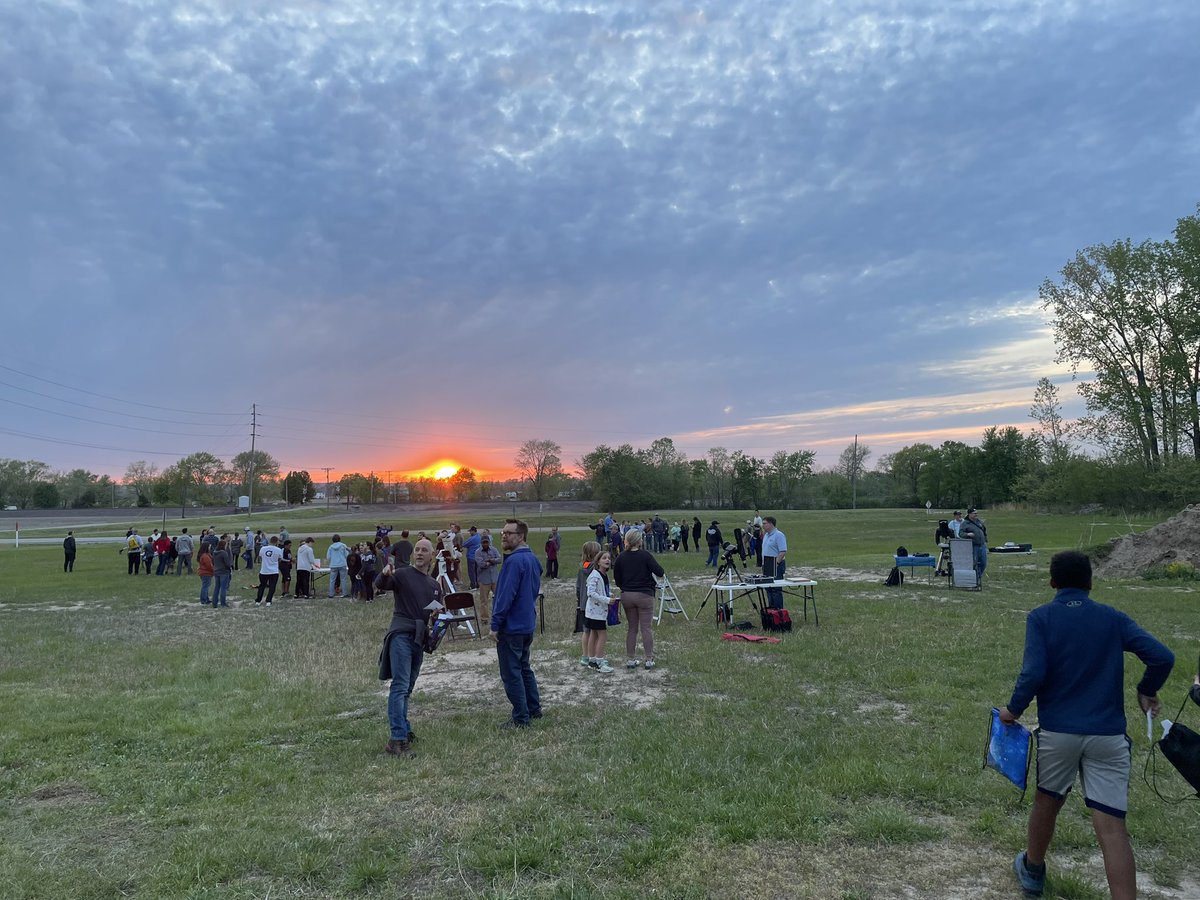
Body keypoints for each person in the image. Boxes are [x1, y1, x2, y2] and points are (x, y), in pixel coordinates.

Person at [1000, 551, 1174, 900]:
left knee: (1046, 802)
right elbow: (1163, 656)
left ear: (1052, 582)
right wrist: (1146, 690)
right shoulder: (1112, 618)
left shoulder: (1041, 617)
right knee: (1112, 829)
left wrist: (1013, 710)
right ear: (1091, 583)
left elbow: (1034, 672)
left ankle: (1033, 871)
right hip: (1108, 736)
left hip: (1059, 733)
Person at [376, 538, 442, 756]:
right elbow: (382, 584)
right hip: (401, 636)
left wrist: (435, 618)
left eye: (425, 550)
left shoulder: (434, 586)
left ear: (432, 555)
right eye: (417, 550)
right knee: (400, 686)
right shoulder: (402, 574)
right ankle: (397, 740)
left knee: (408, 688)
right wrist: (385, 573)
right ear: (413, 554)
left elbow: (434, 613)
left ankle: (404, 729)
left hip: (418, 640)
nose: (420, 553)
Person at [491, 519, 543, 728]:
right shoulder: (532, 558)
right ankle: (534, 708)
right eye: (503, 532)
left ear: (520, 536)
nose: (503, 535)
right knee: (524, 667)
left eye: (509, 533)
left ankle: (521, 718)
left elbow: (505, 596)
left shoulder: (513, 561)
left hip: (512, 626)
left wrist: (495, 624)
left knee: (511, 672)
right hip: (527, 623)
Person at [613, 527, 664, 670]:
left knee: (632, 628)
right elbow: (660, 571)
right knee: (646, 628)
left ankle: (630, 658)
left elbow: (617, 579)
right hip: (645, 594)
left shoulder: (621, 557)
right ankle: (648, 659)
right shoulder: (645, 556)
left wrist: (625, 586)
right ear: (639, 541)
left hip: (627, 595)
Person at [583, 549, 616, 673]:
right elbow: (591, 593)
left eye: (609, 558)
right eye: (604, 558)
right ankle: (599, 660)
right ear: (598, 562)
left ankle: (592, 661)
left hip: (599, 611)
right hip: (595, 612)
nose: (607, 560)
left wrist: (610, 595)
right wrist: (606, 600)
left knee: (594, 634)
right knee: (602, 635)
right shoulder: (595, 575)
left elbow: (602, 590)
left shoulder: (604, 575)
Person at [574, 540, 602, 664]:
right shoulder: (595, 570)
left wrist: (580, 600)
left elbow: (578, 587)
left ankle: (585, 655)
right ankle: (594, 655)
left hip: (583, 604)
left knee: (586, 631)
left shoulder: (582, 567)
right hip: (594, 604)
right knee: (595, 632)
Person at [760, 516, 788, 609]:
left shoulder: (779, 535)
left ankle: (779, 611)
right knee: (768, 588)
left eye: (764, 523)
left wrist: (776, 564)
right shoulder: (766, 535)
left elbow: (783, 551)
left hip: (776, 565)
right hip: (766, 566)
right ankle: (771, 611)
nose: (762, 525)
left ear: (771, 524)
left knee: (776, 589)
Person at [475, 532, 501, 626]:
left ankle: (499, 616)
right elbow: (481, 564)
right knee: (484, 601)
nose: (485, 544)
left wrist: (491, 560)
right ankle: (484, 619)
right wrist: (491, 561)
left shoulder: (493, 549)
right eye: (483, 543)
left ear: (489, 542)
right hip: (484, 580)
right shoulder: (478, 552)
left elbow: (500, 559)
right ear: (481, 543)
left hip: (494, 578)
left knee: (498, 598)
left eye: (486, 542)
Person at [959, 508, 988, 583]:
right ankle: (974, 579)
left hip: (982, 545)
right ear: (969, 514)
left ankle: (978, 576)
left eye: (976, 513)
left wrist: (985, 539)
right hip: (973, 546)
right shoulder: (965, 523)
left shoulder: (979, 522)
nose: (976, 515)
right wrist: (967, 534)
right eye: (974, 513)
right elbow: (960, 534)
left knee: (983, 563)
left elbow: (984, 530)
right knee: (974, 563)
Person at [255, 536, 283, 606]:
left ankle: (258, 600)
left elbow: (260, 557)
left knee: (262, 586)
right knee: (272, 586)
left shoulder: (263, 548)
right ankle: (268, 601)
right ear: (277, 542)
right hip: (273, 571)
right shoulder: (278, 550)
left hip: (264, 571)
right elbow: (280, 559)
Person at [211, 538, 232, 607]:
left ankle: (214, 603)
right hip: (224, 572)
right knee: (223, 588)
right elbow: (227, 563)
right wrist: (230, 569)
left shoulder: (214, 552)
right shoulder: (223, 553)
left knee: (217, 587)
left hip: (216, 571)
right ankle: (223, 603)